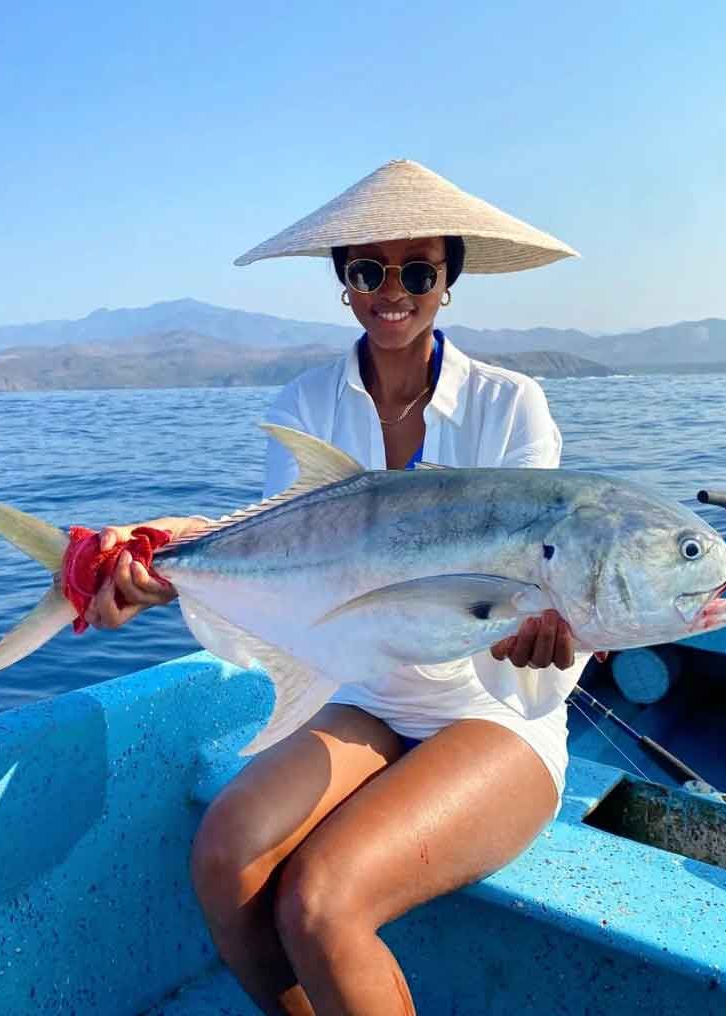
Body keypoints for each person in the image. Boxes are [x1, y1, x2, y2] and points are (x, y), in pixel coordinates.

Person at [84, 159, 591, 1015]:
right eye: (367, 271)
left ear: (449, 283)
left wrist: (551, 629)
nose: (392, 292)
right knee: (225, 854)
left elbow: (538, 578)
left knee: (320, 900)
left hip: (491, 705)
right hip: (360, 689)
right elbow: (284, 558)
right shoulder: (307, 404)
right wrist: (172, 562)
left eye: (418, 272)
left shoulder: (511, 405)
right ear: (343, 282)